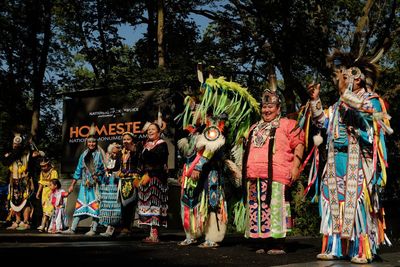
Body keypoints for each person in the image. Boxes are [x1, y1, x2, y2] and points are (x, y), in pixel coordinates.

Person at [306, 50, 392, 264]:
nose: (342, 79)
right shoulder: (335, 106)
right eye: (341, 76)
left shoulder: (371, 101)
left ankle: (361, 249)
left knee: (359, 206)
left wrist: (347, 95)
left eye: (347, 75)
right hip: (336, 162)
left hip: (359, 161)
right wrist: (315, 101)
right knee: (333, 203)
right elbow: (322, 124)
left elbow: (372, 125)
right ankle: (335, 247)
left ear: (359, 77)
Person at [241, 89, 305, 254]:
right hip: (254, 176)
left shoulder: (288, 124)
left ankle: (277, 243)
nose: (266, 110)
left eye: (271, 107)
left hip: (276, 176)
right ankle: (262, 241)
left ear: (278, 108)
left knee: (275, 207)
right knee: (257, 208)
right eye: (264, 107)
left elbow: (299, 143)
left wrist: (296, 166)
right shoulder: (254, 127)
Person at [63, 133, 105, 235]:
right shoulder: (83, 155)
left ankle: (93, 229)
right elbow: (78, 170)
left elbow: (104, 170)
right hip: (84, 186)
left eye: (93, 142)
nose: (91, 144)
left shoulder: (100, 155)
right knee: (80, 205)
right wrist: (72, 184)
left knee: (95, 206)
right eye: (89, 142)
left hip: (95, 185)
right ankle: (73, 228)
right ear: (87, 143)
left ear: (96, 143)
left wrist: (98, 177)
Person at [137, 123, 169, 243]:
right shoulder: (145, 144)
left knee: (155, 205)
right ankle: (150, 233)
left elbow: (158, 161)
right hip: (145, 178)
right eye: (148, 130)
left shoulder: (162, 144)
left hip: (156, 178)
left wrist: (149, 174)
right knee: (147, 205)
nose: (150, 132)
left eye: (153, 130)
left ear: (158, 132)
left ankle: (155, 234)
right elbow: (141, 161)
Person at [3, 134, 37, 230]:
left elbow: (34, 160)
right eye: (14, 144)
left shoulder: (27, 152)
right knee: (14, 200)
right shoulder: (10, 154)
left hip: (24, 179)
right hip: (13, 180)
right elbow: (5, 162)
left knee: (25, 201)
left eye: (17, 145)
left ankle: (25, 221)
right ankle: (17, 221)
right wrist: (11, 154)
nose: (15, 146)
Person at [116, 132, 141, 237]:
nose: (125, 141)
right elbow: (118, 166)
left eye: (128, 139)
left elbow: (139, 162)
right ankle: (124, 227)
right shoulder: (121, 152)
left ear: (132, 140)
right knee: (123, 206)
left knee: (130, 205)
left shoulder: (136, 151)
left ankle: (127, 228)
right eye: (124, 139)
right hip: (123, 181)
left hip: (133, 180)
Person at [99, 142, 122, 237]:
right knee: (108, 207)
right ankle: (109, 228)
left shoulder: (121, 159)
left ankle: (112, 228)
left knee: (115, 207)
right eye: (112, 152)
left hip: (115, 185)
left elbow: (119, 170)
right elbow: (104, 170)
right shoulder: (108, 159)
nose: (114, 154)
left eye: (116, 153)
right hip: (107, 185)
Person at [36, 157, 59, 232]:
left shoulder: (53, 172)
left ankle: (43, 225)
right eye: (41, 166)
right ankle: (46, 226)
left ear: (48, 164)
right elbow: (41, 183)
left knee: (48, 209)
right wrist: (38, 192)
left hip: (51, 191)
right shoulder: (42, 172)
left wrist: (51, 193)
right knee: (44, 209)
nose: (43, 167)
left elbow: (54, 183)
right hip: (44, 191)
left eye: (44, 166)